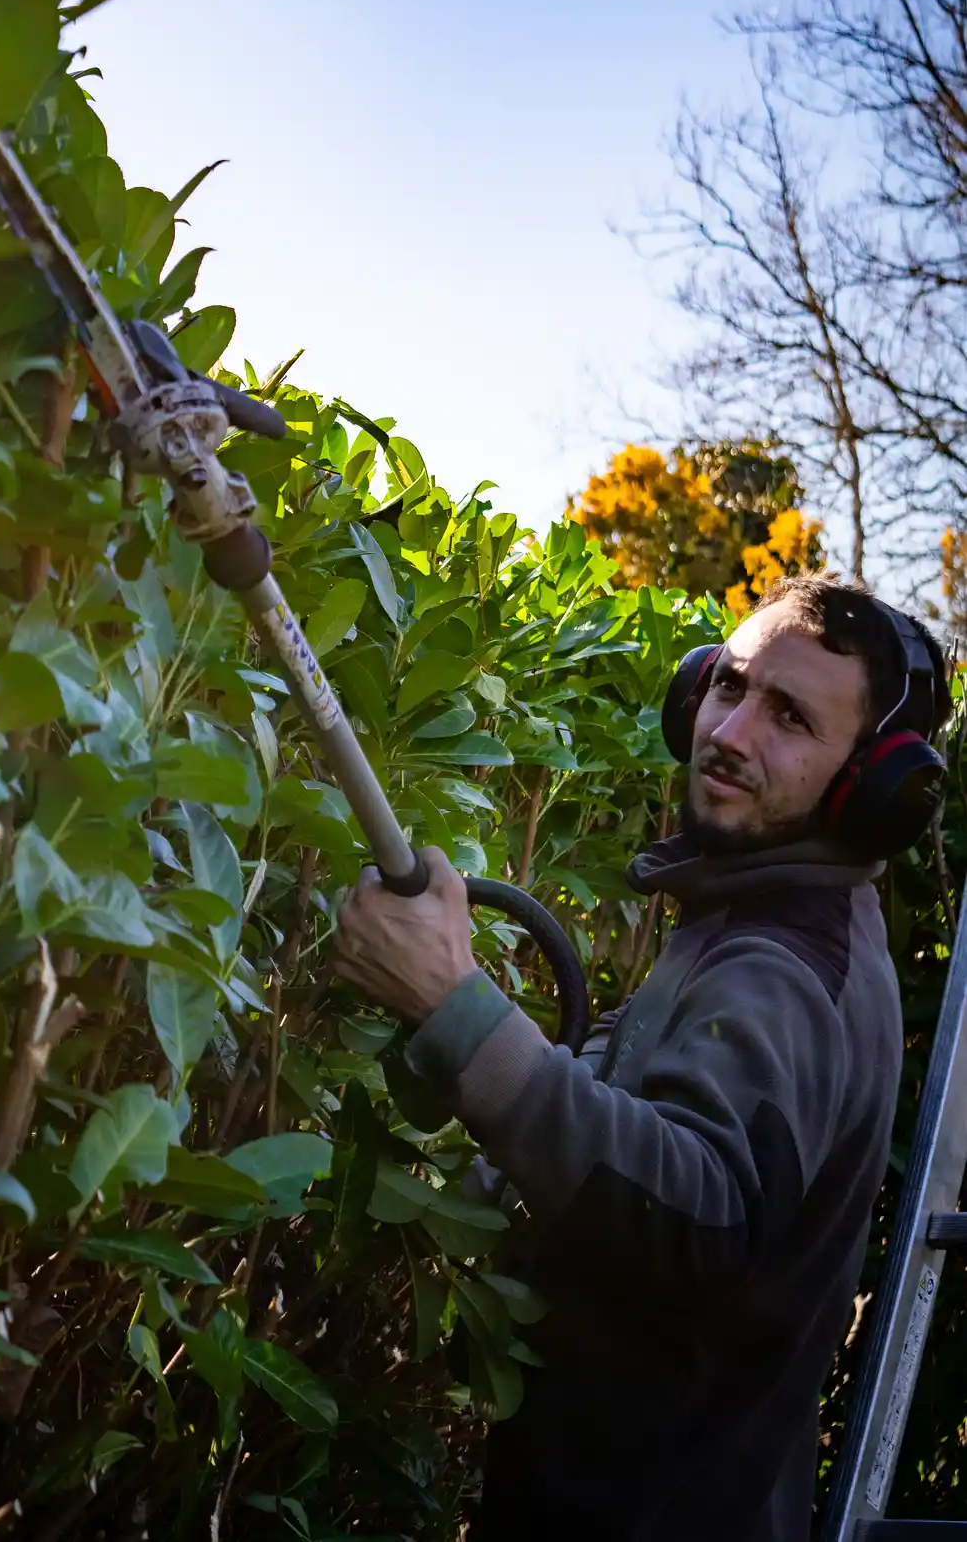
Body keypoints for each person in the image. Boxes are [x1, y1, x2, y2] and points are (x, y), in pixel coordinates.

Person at [332, 575, 952, 1542]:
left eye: (790, 716)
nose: (732, 734)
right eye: (731, 686)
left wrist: (455, 1007)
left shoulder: (783, 969)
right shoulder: (756, 917)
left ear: (873, 789)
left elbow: (690, 1215)